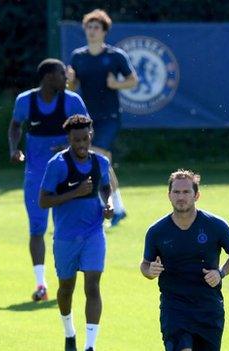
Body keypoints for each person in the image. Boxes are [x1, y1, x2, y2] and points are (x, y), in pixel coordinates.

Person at [9, 58, 89, 301]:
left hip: (68, 174)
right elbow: (15, 126)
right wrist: (14, 149)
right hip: (36, 175)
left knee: (69, 228)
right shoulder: (25, 101)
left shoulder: (72, 101)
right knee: (37, 228)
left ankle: (71, 277)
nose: (67, 79)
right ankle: (41, 284)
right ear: (47, 77)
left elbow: (88, 131)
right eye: (62, 75)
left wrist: (67, 145)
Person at [140, 170, 229, 351]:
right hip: (174, 307)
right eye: (176, 192)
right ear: (169, 195)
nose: (181, 197)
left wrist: (220, 273)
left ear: (196, 195)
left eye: (186, 192)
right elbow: (145, 264)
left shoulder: (215, 225)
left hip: (208, 309)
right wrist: (150, 271)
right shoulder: (157, 231)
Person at [39, 115, 113, 351]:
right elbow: (43, 201)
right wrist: (75, 192)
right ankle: (69, 332)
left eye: (84, 139)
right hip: (65, 237)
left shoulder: (100, 162)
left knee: (92, 286)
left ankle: (90, 346)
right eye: (76, 140)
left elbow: (104, 187)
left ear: (91, 136)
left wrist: (108, 204)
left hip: (93, 233)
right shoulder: (57, 165)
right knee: (66, 288)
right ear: (69, 139)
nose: (81, 144)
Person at [67, 8, 138, 226]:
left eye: (96, 27)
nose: (92, 31)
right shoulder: (78, 56)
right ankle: (118, 208)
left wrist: (116, 84)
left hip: (110, 117)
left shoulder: (115, 56)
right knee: (103, 163)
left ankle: (109, 206)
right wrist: (69, 80)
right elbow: (72, 85)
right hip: (87, 118)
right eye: (89, 27)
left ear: (104, 31)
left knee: (96, 156)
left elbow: (133, 80)